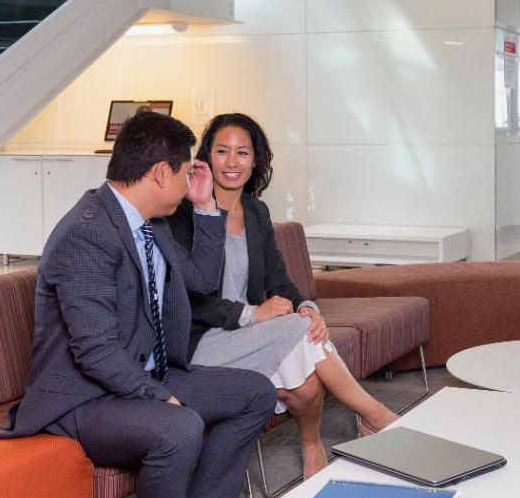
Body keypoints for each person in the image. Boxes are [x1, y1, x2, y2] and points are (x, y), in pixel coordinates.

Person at [0, 111, 277, 498]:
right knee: (179, 426)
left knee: (254, 393)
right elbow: (95, 351)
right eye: (188, 173)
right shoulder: (86, 232)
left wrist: (207, 207)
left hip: (140, 376)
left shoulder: (153, 221)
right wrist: (160, 396)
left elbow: (202, 279)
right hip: (83, 399)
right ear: (160, 173)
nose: (191, 181)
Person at [169, 113, 399, 479]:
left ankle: (312, 445)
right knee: (297, 333)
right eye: (222, 151)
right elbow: (185, 295)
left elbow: (280, 280)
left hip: (249, 334)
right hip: (202, 340)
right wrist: (251, 314)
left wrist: (308, 308)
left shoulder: (257, 212)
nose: (232, 162)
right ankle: (376, 417)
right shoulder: (182, 212)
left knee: (307, 373)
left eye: (242, 153)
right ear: (206, 157)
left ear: (255, 160)